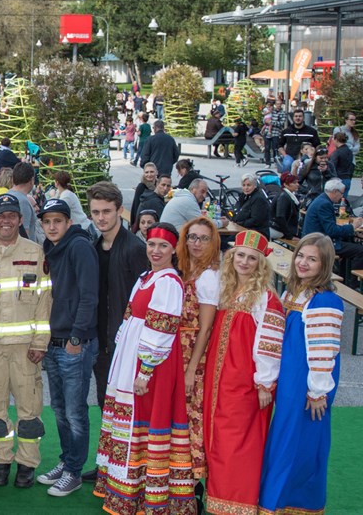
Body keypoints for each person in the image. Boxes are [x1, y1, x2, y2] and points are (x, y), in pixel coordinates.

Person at [94, 223, 196, 515]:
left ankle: (145, 495)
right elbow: (131, 317)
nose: (156, 251)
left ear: (174, 249)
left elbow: (161, 328)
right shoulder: (147, 277)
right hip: (132, 354)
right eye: (151, 245)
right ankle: (126, 487)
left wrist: (145, 371)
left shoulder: (168, 282)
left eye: (163, 246)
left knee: (144, 417)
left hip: (152, 361)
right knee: (129, 415)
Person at [0, 194, 50, 489]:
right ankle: (0, 460)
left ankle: (27, 463)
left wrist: (40, 341)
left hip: (25, 347)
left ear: (19, 219)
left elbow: (44, 301)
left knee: (29, 410)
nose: (6, 221)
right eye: (1, 216)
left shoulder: (35, 252)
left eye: (12, 216)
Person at [258, 233, 342, 514]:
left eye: (312, 259)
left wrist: (318, 391)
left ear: (324, 264)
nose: (303, 263)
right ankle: (276, 500)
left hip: (306, 385)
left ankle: (291, 503)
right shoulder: (296, 292)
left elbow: (323, 350)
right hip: (290, 380)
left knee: (301, 444)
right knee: (285, 438)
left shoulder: (324, 301)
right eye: (301, 256)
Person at [200, 231, 283, 514]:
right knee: (219, 439)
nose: (244, 262)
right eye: (240, 255)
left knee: (239, 443)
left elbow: (269, 343)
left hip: (244, 382)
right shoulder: (228, 289)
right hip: (219, 379)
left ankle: (238, 503)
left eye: (251, 258)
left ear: (261, 263)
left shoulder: (265, 298)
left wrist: (264, 383)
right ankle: (218, 500)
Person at [36, 198, 99, 497]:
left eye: (57, 221)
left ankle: (74, 470)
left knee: (75, 412)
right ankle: (66, 461)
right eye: (47, 221)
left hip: (75, 343)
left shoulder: (79, 247)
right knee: (59, 410)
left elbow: (89, 296)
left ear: (68, 222)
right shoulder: (51, 248)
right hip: (53, 341)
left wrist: (77, 338)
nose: (51, 226)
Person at [85, 182, 148, 457]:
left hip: (127, 345)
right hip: (100, 342)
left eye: (106, 211)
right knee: (105, 404)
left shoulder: (135, 248)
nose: (101, 217)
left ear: (120, 211)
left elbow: (145, 301)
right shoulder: (93, 245)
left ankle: (129, 466)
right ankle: (108, 462)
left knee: (129, 407)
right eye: (95, 212)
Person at [175, 218, 221, 487]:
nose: (196, 243)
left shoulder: (209, 276)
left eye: (203, 238)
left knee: (194, 413)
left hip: (195, 352)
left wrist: (192, 368)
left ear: (212, 242)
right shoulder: (186, 270)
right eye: (192, 237)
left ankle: (195, 483)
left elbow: (205, 329)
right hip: (178, 350)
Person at [230, 173, 272, 238]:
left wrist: (239, 224)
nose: (246, 188)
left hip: (256, 234)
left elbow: (255, 220)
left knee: (225, 242)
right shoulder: (244, 196)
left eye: (249, 185)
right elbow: (236, 212)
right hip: (243, 230)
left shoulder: (258, 199)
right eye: (243, 185)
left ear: (255, 185)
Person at [279, 109, 320, 173]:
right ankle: (285, 181)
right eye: (296, 116)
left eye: (300, 116)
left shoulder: (312, 132)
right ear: (293, 118)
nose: (298, 118)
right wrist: (285, 155)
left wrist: (312, 154)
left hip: (305, 156)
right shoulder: (286, 131)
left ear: (303, 118)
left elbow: (317, 146)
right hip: (290, 156)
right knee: (287, 164)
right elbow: (280, 145)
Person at [271, 172, 301, 240]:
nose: (297, 185)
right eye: (294, 183)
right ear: (285, 184)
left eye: (297, 182)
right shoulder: (283, 197)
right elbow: (280, 217)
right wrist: (289, 236)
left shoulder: (288, 195)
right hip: (277, 230)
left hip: (281, 229)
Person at [329, 130, 355, 194]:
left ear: (337, 140)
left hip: (338, 180)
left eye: (333, 139)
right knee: (343, 201)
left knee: (335, 202)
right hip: (348, 179)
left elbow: (332, 167)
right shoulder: (350, 152)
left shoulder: (336, 153)